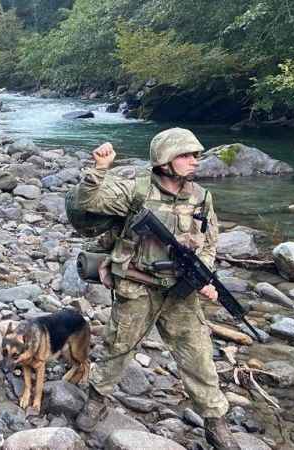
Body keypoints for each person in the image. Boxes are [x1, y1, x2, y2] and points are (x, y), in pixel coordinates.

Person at [75, 128, 241, 450]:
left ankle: (215, 422)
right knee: (118, 347)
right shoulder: (136, 189)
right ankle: (96, 399)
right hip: (137, 285)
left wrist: (204, 277)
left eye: (196, 155)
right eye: (186, 155)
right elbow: (89, 202)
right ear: (165, 160)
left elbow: (209, 243)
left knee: (198, 356)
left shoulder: (201, 197)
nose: (195, 161)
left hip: (180, 291)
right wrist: (100, 169)